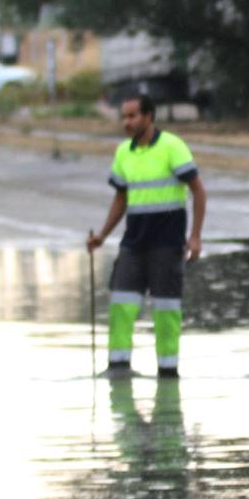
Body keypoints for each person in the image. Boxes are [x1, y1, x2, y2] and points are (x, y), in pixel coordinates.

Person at [86, 94, 205, 377]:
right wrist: (102, 236)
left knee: (166, 311)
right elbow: (121, 199)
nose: (127, 122)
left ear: (149, 116)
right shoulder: (123, 153)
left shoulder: (172, 147)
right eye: (124, 116)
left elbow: (198, 190)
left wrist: (195, 236)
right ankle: (117, 369)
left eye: (132, 116)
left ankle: (167, 373)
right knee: (121, 305)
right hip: (133, 244)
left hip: (167, 244)